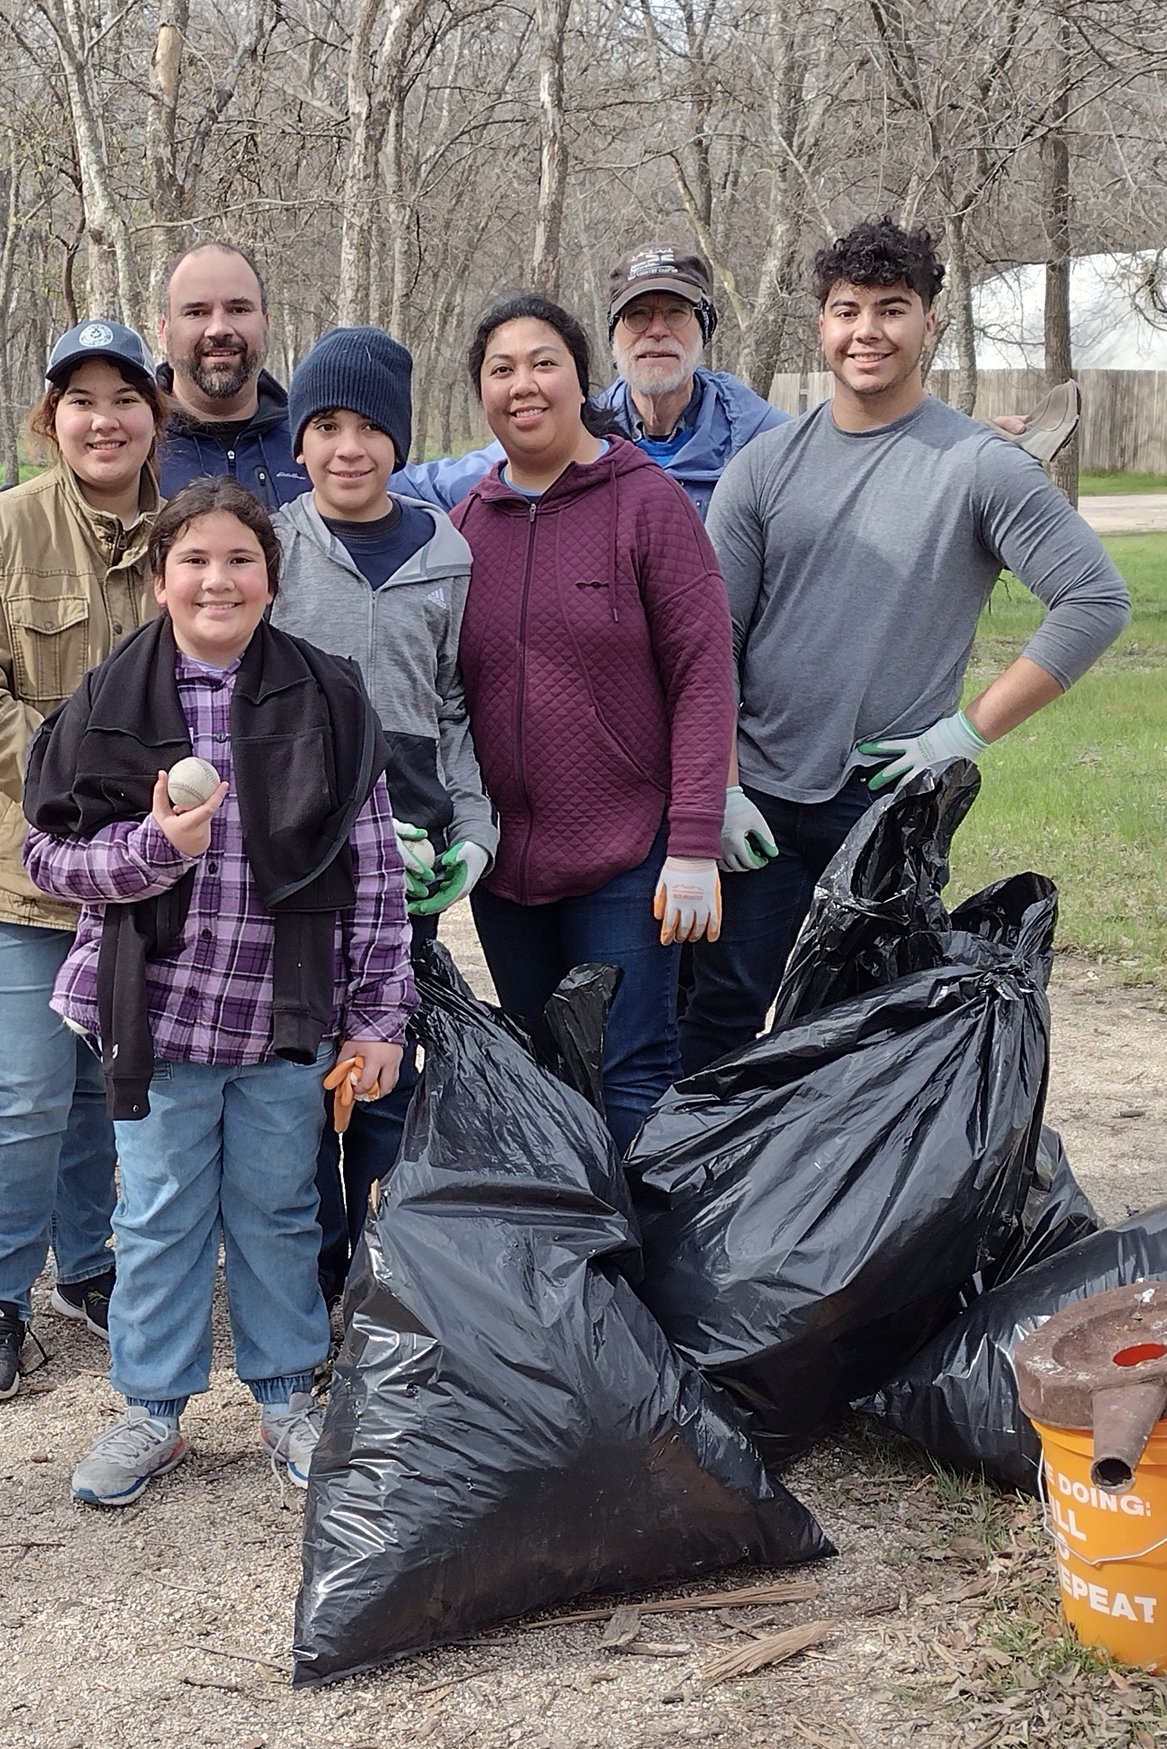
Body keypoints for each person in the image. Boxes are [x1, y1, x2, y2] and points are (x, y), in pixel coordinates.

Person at [22, 476, 413, 1507]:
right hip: (154, 1012)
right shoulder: (109, 702)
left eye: (240, 559)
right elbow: (48, 860)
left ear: (271, 581)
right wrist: (154, 849)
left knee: (280, 1209)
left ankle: (286, 1395)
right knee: (156, 1213)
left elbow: (373, 868)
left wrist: (379, 1014)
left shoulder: (325, 695)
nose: (216, 579)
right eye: (192, 559)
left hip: (285, 1013)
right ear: (158, 580)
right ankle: (152, 1408)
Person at [680, 217, 1130, 1073]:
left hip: (885, 804)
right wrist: (723, 787)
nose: (868, 331)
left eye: (893, 308)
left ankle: (846, 1199)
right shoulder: (765, 467)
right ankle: (709, 1196)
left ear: (929, 323)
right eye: (847, 309)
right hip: (761, 805)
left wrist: (962, 735)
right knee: (722, 1011)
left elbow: (1096, 600)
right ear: (822, 324)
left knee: (868, 1030)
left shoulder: (980, 468)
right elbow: (710, 645)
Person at [0, 320, 167, 1402]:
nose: (104, 418)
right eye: (81, 399)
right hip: (14, 859)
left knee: (99, 1076)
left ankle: (92, 1262)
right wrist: (72, 790)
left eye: (124, 396)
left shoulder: (186, 534)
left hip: (141, 865)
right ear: (49, 418)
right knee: (25, 1084)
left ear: (155, 415)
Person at [449, 294, 733, 1151]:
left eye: (544, 364)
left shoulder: (646, 505)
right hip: (508, 871)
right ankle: (569, 1272)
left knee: (631, 1066)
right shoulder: (464, 526)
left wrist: (693, 841)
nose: (523, 385)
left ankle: (646, 1276)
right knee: (541, 1071)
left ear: (582, 381)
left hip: (629, 855)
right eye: (501, 370)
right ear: (483, 394)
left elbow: (704, 676)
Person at [267, 324, 490, 1306]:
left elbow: (454, 705)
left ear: (399, 441)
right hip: (299, 861)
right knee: (304, 1076)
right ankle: (310, 1276)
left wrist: (472, 829)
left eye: (368, 427)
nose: (346, 447)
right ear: (298, 443)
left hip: (410, 857)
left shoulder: (444, 550)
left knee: (385, 1061)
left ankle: (379, 1275)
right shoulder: (272, 546)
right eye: (325, 426)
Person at [398, 245, 786, 519]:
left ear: (705, 328)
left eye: (675, 312)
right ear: (613, 335)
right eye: (636, 315)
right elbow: (432, 486)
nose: (656, 331)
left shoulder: (762, 441)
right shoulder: (579, 430)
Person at [153, 242, 309, 506]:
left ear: (265, 323)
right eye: (196, 312)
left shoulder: (310, 444)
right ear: (163, 332)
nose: (218, 329)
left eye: (238, 309)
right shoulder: (136, 447)